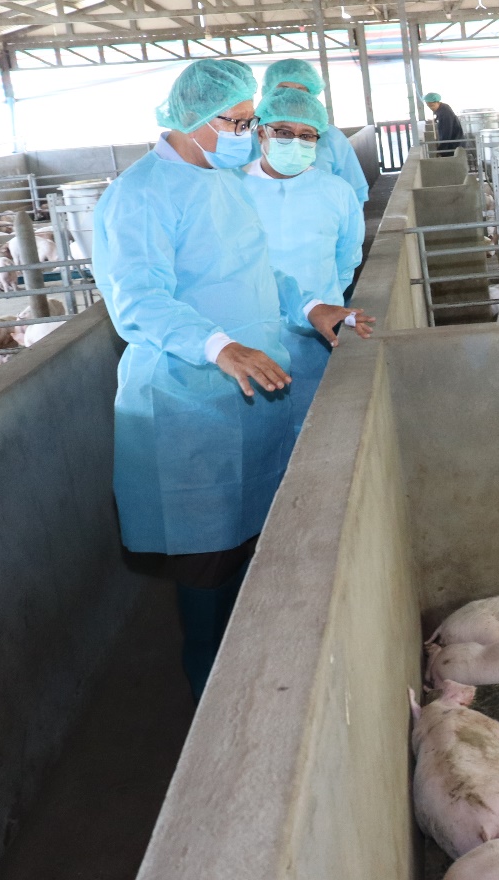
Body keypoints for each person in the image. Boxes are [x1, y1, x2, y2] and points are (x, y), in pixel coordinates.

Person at [91, 58, 373, 698]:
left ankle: (258, 666)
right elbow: (137, 300)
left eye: (251, 122)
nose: (249, 134)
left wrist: (310, 306)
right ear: (192, 118)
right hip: (189, 405)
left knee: (253, 543)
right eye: (239, 121)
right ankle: (210, 691)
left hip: (252, 394)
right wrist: (218, 345)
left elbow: (259, 272)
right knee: (206, 557)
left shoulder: (222, 182)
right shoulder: (140, 195)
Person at [241, 85, 367, 430]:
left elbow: (347, 258)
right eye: (283, 132)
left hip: (318, 330)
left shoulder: (336, 192)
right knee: (260, 430)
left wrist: (324, 298)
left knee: (318, 425)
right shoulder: (232, 190)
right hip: (250, 335)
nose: (295, 142)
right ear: (261, 133)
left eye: (307, 135)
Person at [258, 58, 371, 204]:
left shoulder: (331, 137)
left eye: (301, 91)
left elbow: (354, 191)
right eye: (284, 89)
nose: (292, 96)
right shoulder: (254, 135)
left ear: (311, 96)